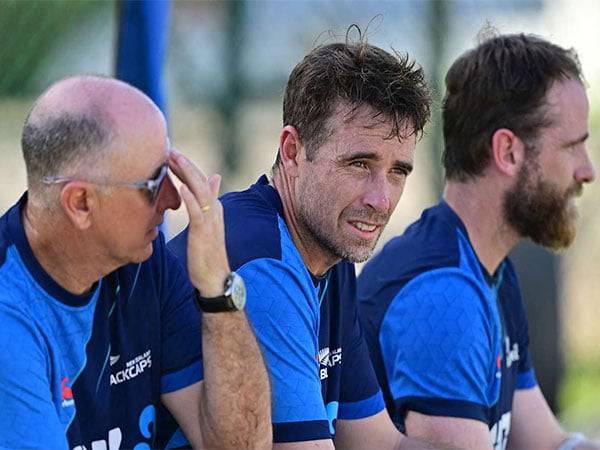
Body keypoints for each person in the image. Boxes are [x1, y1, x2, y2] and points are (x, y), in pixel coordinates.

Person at [169, 30, 437, 449]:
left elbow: (381, 443)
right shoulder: (263, 260)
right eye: (359, 163)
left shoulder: (329, 250)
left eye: (398, 172)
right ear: (292, 151)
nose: (381, 199)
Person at [0, 75, 271, 450]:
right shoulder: (9, 316)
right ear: (80, 203)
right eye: (154, 182)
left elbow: (243, 446)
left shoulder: (144, 262)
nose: (174, 201)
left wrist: (219, 287)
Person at [357, 32, 600, 450]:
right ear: (508, 152)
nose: (587, 171)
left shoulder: (489, 270)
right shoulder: (444, 296)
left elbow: (548, 443)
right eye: (572, 147)